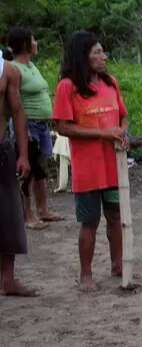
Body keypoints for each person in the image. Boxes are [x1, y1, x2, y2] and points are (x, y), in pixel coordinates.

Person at [53, 31, 128, 292]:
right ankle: (86, 274)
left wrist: (122, 133)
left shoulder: (111, 83)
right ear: (83, 56)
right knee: (90, 221)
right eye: (97, 52)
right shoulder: (68, 87)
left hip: (113, 165)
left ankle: (118, 264)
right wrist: (102, 133)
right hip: (88, 170)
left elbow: (123, 117)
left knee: (115, 216)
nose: (103, 56)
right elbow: (63, 126)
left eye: (102, 51)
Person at [7, 27, 63, 230]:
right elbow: (15, 102)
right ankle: (27, 215)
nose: (37, 43)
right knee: (27, 170)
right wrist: (23, 130)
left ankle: (43, 210)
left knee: (41, 169)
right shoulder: (13, 69)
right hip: (28, 126)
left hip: (42, 125)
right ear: (25, 44)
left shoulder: (31, 66)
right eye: (34, 40)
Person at [0, 49, 38, 297]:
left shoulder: (7, 70)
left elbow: (17, 111)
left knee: (8, 215)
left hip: (1, 149)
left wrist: (23, 154)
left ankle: (8, 280)